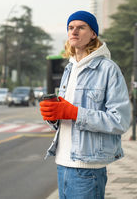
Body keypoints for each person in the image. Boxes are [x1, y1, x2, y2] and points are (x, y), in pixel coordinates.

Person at [39, 10, 131, 199]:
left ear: (93, 34)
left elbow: (120, 121)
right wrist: (54, 116)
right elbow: (66, 115)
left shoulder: (108, 69)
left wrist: (74, 112)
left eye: (81, 27)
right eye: (71, 28)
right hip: (62, 163)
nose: (74, 31)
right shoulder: (70, 68)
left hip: (87, 168)